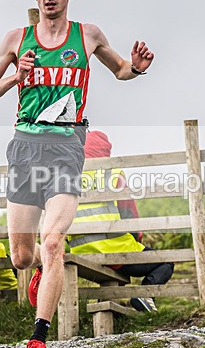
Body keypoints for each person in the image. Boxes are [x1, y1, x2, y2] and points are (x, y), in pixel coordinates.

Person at [0, 0, 155, 348]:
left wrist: (137, 70)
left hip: (66, 148)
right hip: (24, 147)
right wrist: (13, 79)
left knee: (53, 241)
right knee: (22, 256)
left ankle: (38, 339)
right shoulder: (16, 39)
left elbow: (120, 70)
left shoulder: (87, 35)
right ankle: (40, 268)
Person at [66, 130, 174, 313]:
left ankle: (113, 305)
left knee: (122, 271)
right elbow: (130, 215)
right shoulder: (113, 174)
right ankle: (144, 295)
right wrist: (137, 240)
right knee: (166, 262)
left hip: (81, 252)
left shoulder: (68, 175)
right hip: (115, 250)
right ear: (106, 150)